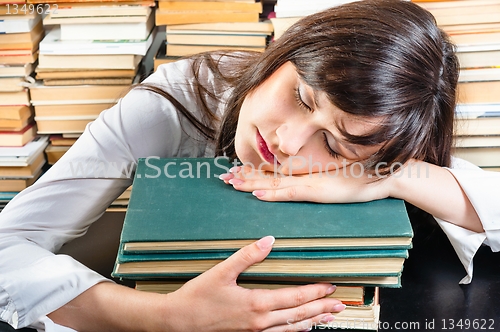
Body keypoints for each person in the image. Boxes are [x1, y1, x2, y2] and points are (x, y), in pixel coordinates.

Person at [0, 0, 499, 330]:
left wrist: (384, 176)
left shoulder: (382, 128)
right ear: (286, 54)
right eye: (301, 99)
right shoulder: (174, 101)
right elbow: (7, 247)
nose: (285, 140)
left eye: (335, 144)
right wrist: (161, 317)